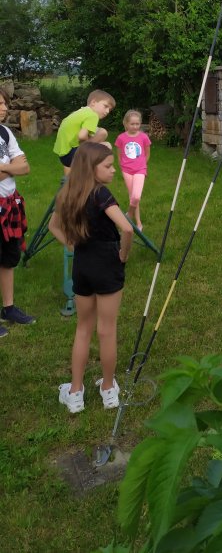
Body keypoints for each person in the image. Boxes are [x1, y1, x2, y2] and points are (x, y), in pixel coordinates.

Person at [49, 142, 133, 413]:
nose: (113, 171)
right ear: (91, 168)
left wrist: (71, 245)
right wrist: (124, 253)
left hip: (82, 265)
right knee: (106, 329)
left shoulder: (68, 192)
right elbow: (127, 228)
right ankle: (108, 389)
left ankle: (75, 393)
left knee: (83, 328)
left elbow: (53, 226)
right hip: (107, 263)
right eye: (108, 166)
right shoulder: (101, 194)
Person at [0, 87, 36, 337]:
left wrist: (6, 169)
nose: (3, 107)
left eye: (4, 102)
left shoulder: (5, 132)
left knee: (8, 258)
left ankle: (9, 308)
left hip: (9, 203)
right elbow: (16, 166)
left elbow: (25, 166)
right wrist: (11, 167)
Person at [53, 89, 116, 174]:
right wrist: (88, 148)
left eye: (110, 109)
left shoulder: (81, 112)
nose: (107, 111)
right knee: (106, 144)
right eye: (105, 106)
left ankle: (76, 174)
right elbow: (82, 136)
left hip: (63, 156)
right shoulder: (93, 115)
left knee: (101, 133)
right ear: (93, 102)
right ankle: (94, 170)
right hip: (72, 154)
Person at [114, 110, 151, 231]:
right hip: (126, 170)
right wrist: (122, 166)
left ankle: (129, 215)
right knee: (132, 197)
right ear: (125, 123)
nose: (135, 126)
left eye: (137, 124)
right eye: (132, 124)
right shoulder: (121, 138)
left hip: (140, 169)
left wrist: (142, 166)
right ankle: (138, 223)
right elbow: (119, 154)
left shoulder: (143, 137)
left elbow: (147, 153)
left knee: (136, 196)